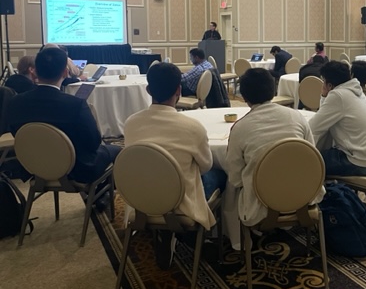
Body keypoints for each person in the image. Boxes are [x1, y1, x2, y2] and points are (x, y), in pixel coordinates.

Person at [124, 62, 225, 267]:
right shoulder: (192, 127)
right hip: (181, 202)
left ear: (148, 90)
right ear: (179, 90)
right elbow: (206, 166)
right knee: (221, 173)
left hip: (141, 198)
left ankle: (166, 232)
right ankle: (202, 235)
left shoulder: (131, 123)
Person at [7, 47, 120, 184]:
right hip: (76, 169)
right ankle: (101, 193)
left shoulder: (14, 102)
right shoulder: (75, 105)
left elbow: (17, 134)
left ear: (35, 71)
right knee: (117, 151)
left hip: (33, 166)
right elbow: (93, 142)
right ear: (66, 73)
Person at [225, 68, 322, 227]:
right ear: (273, 90)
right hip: (304, 196)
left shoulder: (240, 128)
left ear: (244, 96)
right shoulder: (297, 116)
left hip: (261, 206)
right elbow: (312, 156)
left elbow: (235, 179)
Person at [309, 61, 366, 176]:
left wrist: (324, 95)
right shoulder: (356, 90)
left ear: (329, 85)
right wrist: (325, 96)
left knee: (309, 160)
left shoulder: (338, 96)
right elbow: (325, 116)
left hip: (360, 162)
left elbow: (313, 127)